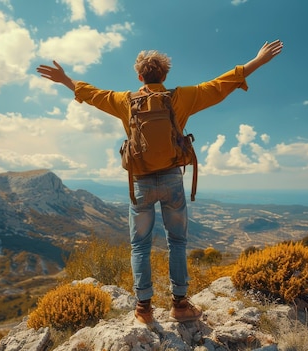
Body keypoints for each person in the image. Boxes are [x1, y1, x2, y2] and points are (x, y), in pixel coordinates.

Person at [37, 39, 283, 324]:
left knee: (139, 246)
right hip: (171, 180)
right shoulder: (183, 97)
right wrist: (257, 61)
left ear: (139, 76)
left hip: (140, 182)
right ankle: (180, 305)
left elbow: (91, 93)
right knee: (176, 242)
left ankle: (143, 309)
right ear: (164, 76)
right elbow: (220, 84)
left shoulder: (124, 101)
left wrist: (65, 79)